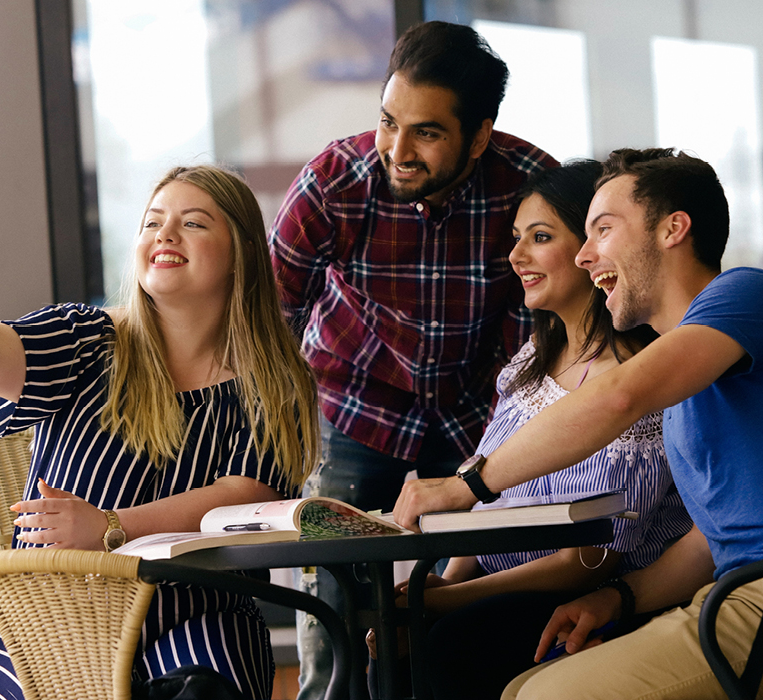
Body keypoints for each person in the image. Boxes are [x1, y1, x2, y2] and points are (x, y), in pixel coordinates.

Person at [393, 148, 763, 700]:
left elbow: (616, 398)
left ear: (673, 229)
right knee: (523, 686)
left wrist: (463, 485)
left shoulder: (748, 295)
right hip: (742, 597)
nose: (585, 256)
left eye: (602, 230)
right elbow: (705, 544)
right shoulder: (689, 388)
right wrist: (617, 596)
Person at [0, 165, 320, 700]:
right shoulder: (87, 341)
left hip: (196, 608)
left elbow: (248, 495)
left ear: (241, 254)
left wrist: (111, 526)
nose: (165, 234)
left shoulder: (274, 378)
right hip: (45, 608)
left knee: (207, 687)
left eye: (194, 224)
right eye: (153, 222)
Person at [268, 20, 557, 698]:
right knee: (334, 601)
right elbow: (273, 317)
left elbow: (540, 347)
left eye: (426, 132)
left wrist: (503, 456)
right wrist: (279, 436)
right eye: (388, 121)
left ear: (479, 135)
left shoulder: (529, 187)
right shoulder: (334, 181)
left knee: (474, 595)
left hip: (477, 418)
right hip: (355, 409)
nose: (397, 150)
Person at [365, 160, 692, 700]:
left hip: (589, 598)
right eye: (517, 239)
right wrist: (447, 581)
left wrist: (446, 600)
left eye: (540, 238)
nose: (516, 257)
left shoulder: (641, 382)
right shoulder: (529, 364)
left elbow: (588, 560)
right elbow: (486, 504)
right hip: (489, 591)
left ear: (594, 249)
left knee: (447, 647)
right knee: (388, 649)